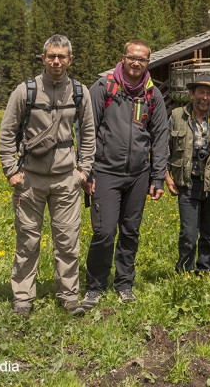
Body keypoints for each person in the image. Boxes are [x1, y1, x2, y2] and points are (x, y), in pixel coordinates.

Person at [0, 35, 96, 316]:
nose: (56, 61)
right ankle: (23, 299)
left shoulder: (80, 92)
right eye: (51, 56)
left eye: (62, 57)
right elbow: (6, 133)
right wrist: (11, 170)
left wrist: (84, 170)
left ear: (70, 60)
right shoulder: (25, 91)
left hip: (67, 179)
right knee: (27, 240)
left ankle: (68, 296)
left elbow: (88, 133)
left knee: (68, 240)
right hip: (30, 178)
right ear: (43, 58)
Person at [82, 39, 170, 309]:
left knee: (130, 231)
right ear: (123, 58)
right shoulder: (103, 88)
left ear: (148, 62)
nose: (136, 63)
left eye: (142, 59)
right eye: (132, 57)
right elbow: (87, 129)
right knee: (104, 232)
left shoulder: (152, 95)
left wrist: (157, 177)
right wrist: (87, 172)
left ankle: (124, 283)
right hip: (105, 172)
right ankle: (95, 286)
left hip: (138, 174)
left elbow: (160, 136)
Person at [165, 73, 210, 274]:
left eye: (209, 93)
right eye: (200, 92)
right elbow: (165, 149)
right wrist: (166, 175)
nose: (204, 97)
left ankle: (205, 272)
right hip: (188, 184)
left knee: (208, 234)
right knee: (188, 235)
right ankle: (184, 274)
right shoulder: (177, 116)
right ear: (192, 94)